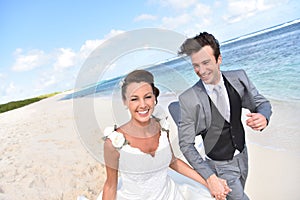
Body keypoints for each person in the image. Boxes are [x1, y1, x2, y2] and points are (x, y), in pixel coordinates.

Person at [98, 70, 226, 200]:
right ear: (125, 102)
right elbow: (110, 185)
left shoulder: (162, 127)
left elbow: (173, 161)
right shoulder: (114, 142)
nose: (142, 105)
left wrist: (208, 183)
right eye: (134, 99)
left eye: (147, 97)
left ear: (154, 98)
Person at [174, 32, 272, 200]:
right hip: (219, 166)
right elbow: (186, 144)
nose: (201, 71)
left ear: (219, 59)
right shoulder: (188, 98)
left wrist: (263, 116)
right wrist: (210, 177)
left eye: (205, 63)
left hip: (243, 155)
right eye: (196, 65)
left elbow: (261, 102)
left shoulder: (239, 78)